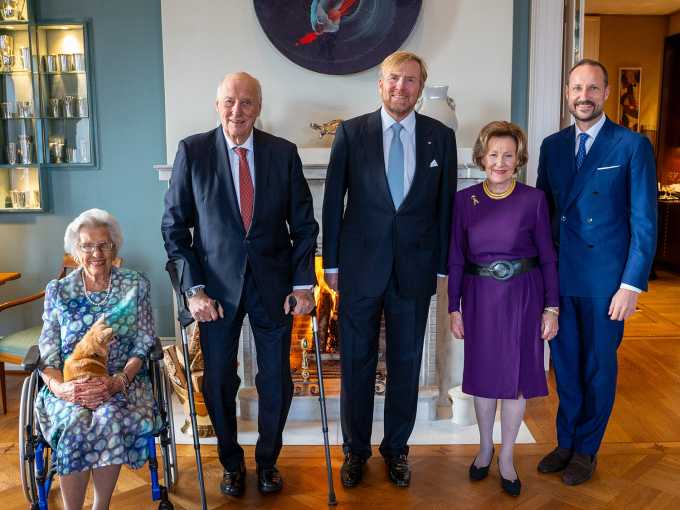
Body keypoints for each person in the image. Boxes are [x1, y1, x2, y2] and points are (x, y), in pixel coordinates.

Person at [161, 72, 318, 496]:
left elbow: (304, 226)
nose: (237, 111)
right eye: (230, 101)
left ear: (258, 108)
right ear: (217, 105)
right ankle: (231, 462)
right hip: (215, 294)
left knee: (275, 380)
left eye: (247, 103)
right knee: (218, 382)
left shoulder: (282, 153)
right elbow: (175, 230)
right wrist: (193, 292)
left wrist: (304, 285)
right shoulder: (192, 152)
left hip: (275, 288)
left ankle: (268, 461)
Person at [322, 51, 457, 488]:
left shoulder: (441, 136)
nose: (402, 87)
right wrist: (333, 263)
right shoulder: (351, 132)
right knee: (355, 365)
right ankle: (355, 451)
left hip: (415, 271)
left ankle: (397, 450)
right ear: (380, 84)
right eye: (394, 79)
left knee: (405, 363)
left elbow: (445, 209)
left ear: (420, 87)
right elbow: (332, 203)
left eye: (411, 80)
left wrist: (440, 268)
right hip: (359, 268)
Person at [536, 59, 657, 485]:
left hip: (607, 282)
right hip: (560, 278)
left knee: (598, 368)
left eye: (592, 88)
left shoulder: (631, 145)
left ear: (606, 93)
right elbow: (544, 216)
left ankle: (587, 449)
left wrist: (631, 285)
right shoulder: (551, 145)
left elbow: (644, 220)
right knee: (565, 366)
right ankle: (565, 441)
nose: (583, 96)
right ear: (566, 93)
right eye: (576, 88)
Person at [447, 122, 559, 497]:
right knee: (482, 374)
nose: (500, 162)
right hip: (479, 298)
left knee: (515, 378)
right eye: (493, 154)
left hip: (524, 298)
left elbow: (547, 258)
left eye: (508, 155)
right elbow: (457, 259)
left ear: (518, 160)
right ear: (482, 158)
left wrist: (551, 308)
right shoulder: (465, 201)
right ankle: (484, 448)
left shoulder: (534, 199)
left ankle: (507, 457)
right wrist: (454, 307)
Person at [36, 208, 162, 510]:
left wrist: (119, 381)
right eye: (87, 245)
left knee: (109, 419)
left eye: (104, 244)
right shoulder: (59, 290)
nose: (96, 252)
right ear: (76, 252)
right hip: (69, 383)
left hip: (123, 381)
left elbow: (144, 340)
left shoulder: (135, 284)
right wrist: (60, 389)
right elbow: (48, 349)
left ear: (115, 248)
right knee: (74, 423)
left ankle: (100, 507)